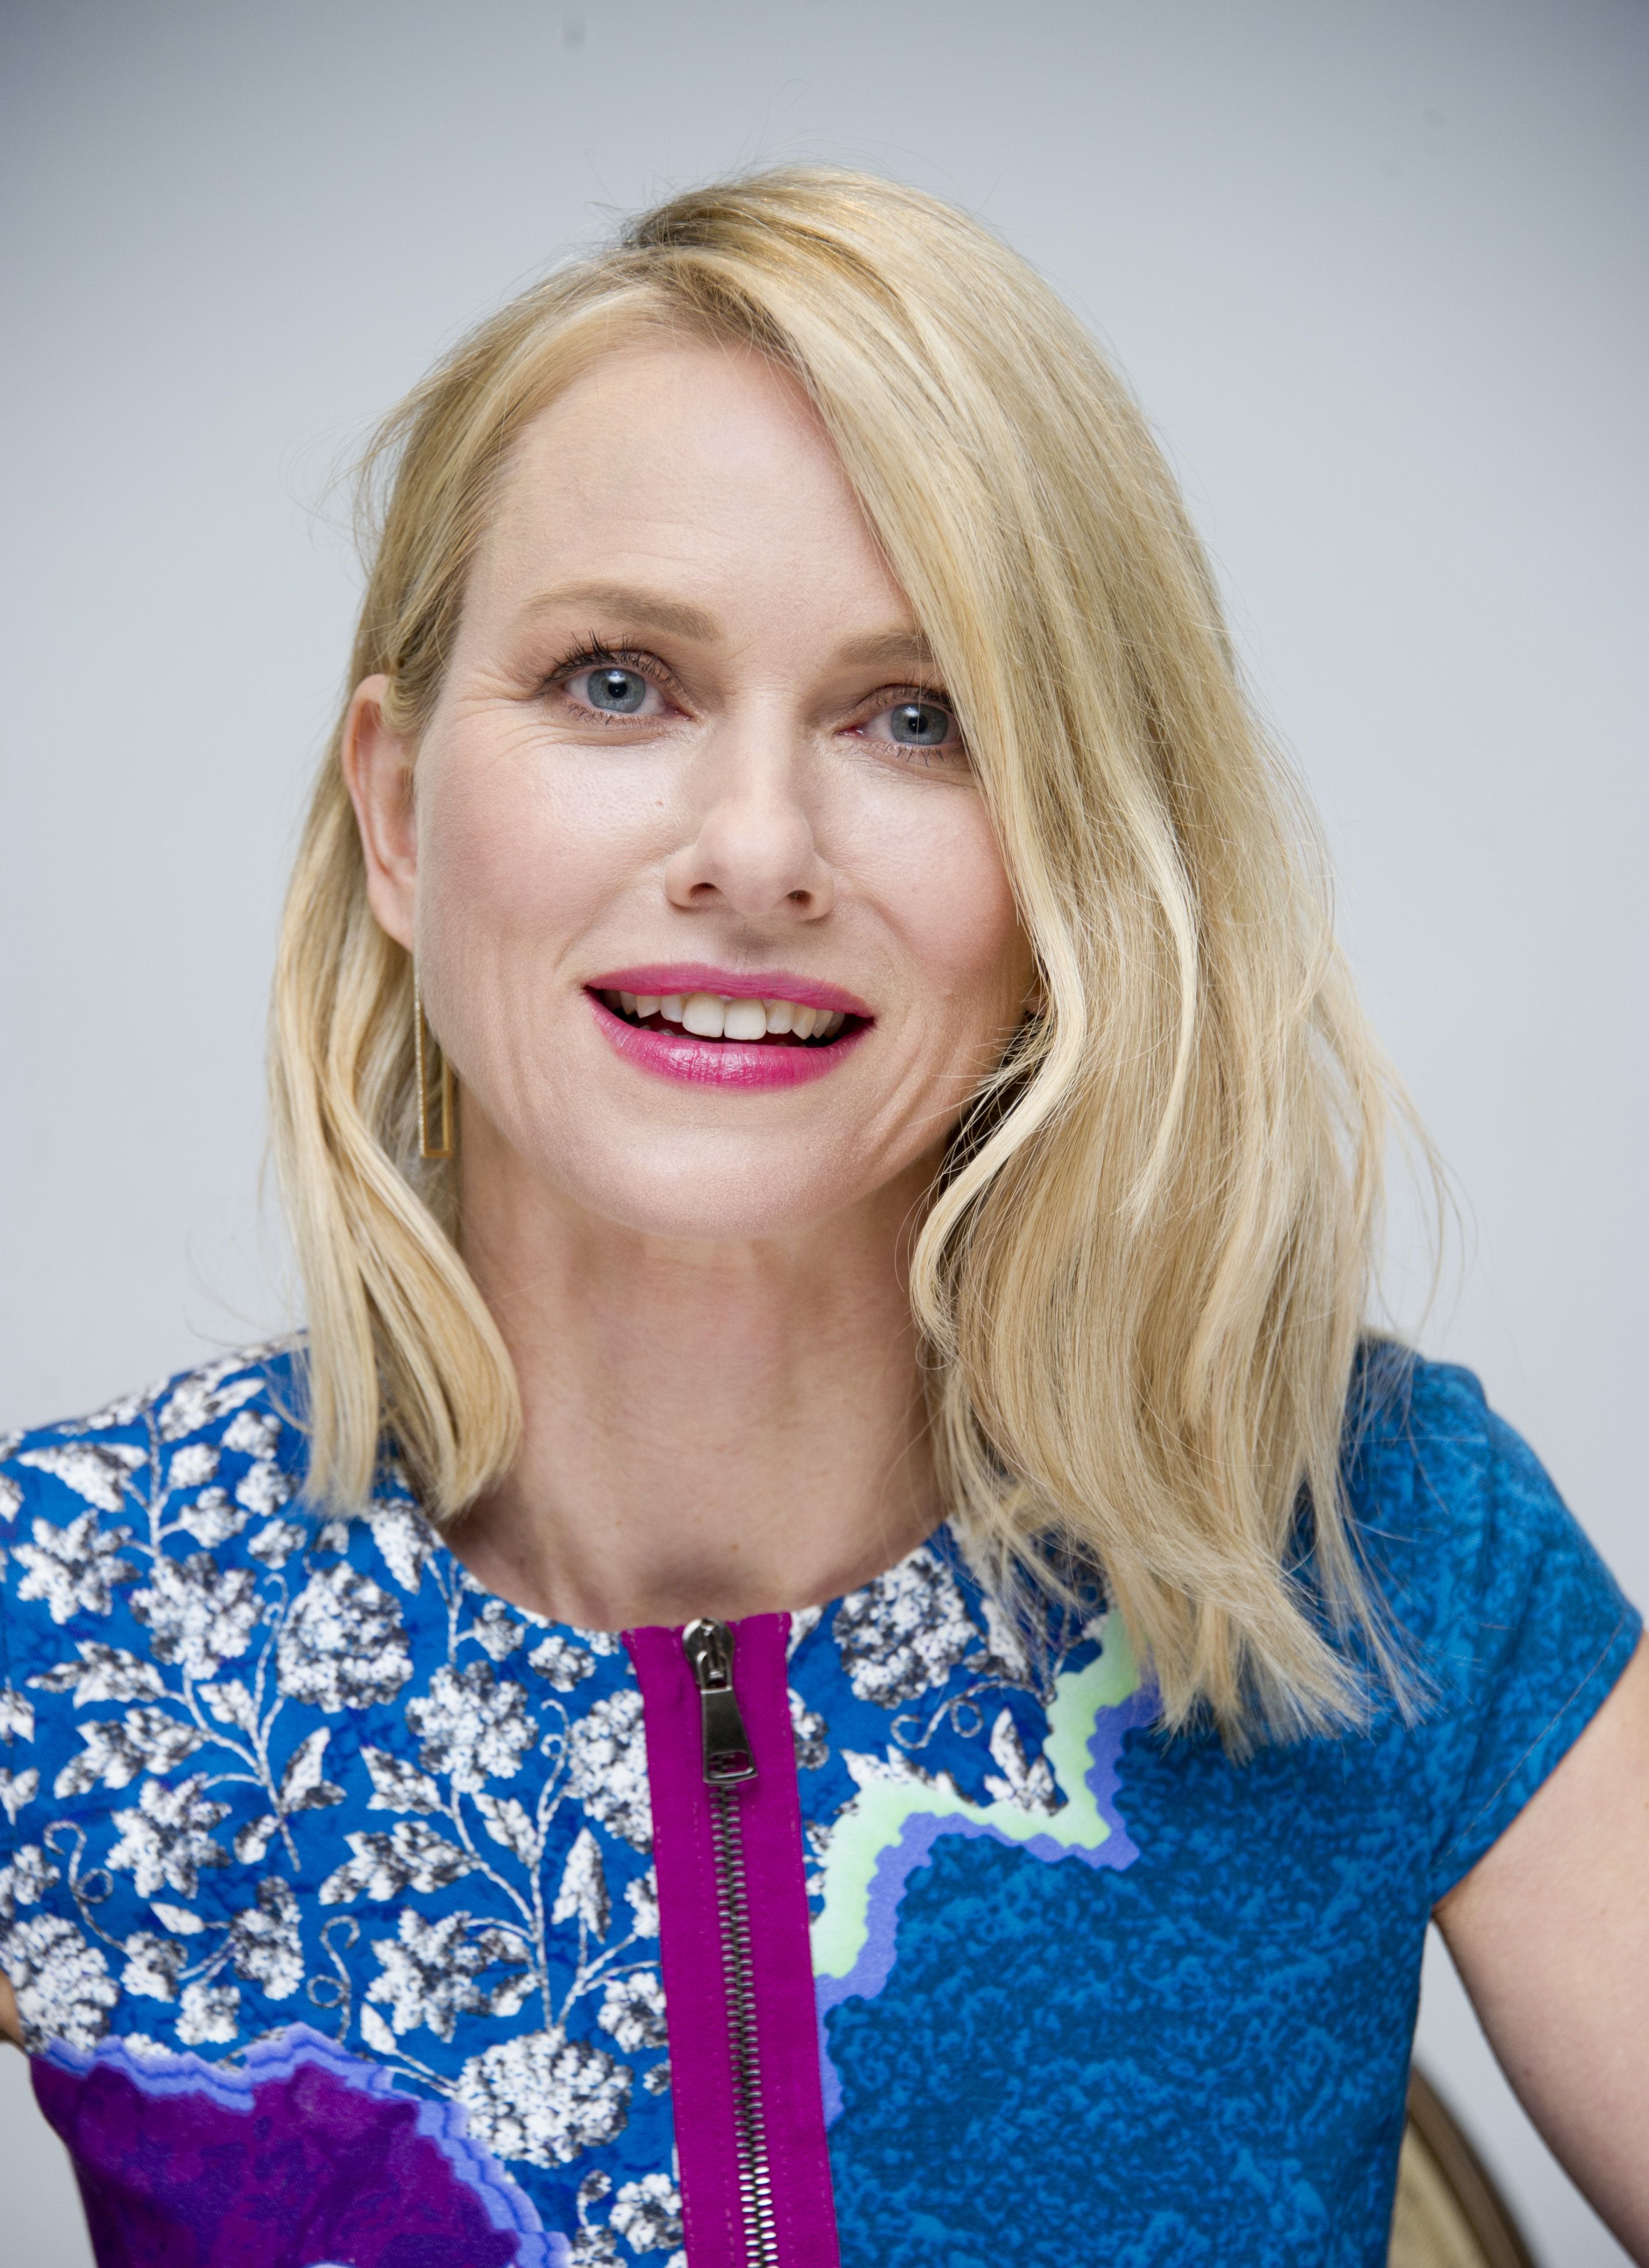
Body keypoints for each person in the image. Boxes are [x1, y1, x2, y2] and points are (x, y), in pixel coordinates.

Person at [1, 167, 1643, 2268]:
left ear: (1070, 874)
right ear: (400, 816)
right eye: (619, 682)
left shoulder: (1372, 1535)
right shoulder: (65, 1615)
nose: (758, 847)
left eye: (918, 718)